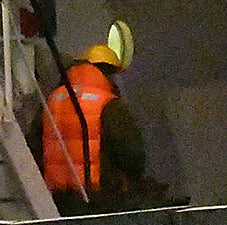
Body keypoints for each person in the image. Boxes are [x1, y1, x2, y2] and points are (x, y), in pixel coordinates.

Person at [37, 41, 155, 215]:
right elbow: (132, 154)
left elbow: (34, 144)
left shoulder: (52, 100)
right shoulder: (108, 104)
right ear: (110, 73)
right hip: (99, 200)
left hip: (56, 199)